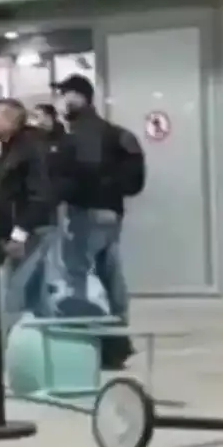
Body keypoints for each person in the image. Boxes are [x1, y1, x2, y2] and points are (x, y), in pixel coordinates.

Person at [51, 74, 145, 368]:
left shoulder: (83, 133)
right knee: (110, 275)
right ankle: (119, 339)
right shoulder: (116, 133)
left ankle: (97, 344)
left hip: (86, 213)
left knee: (79, 278)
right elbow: (133, 181)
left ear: (79, 97)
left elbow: (77, 176)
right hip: (111, 215)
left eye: (64, 95)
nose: (61, 102)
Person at [0, 98, 57, 337]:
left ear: (12, 120)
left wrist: (19, 233)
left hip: (29, 230)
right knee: (36, 296)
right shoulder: (12, 147)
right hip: (23, 228)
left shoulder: (29, 147)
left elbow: (40, 194)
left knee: (12, 294)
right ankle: (46, 353)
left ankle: (11, 360)